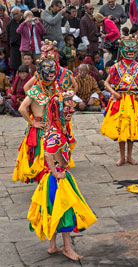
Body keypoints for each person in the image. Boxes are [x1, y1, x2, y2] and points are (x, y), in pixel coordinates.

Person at [27, 90, 97, 261]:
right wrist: (56, 172)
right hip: (57, 179)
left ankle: (53, 246)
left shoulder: (55, 128)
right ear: (57, 112)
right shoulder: (55, 132)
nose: (71, 111)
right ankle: (67, 248)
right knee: (66, 211)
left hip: (51, 178)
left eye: (70, 108)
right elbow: (48, 155)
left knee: (52, 210)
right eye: (66, 109)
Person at [101, 36, 138, 166]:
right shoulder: (116, 67)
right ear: (122, 50)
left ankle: (130, 156)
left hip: (133, 100)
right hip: (120, 100)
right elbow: (106, 83)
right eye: (128, 49)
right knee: (121, 128)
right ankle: (122, 157)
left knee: (131, 128)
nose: (131, 52)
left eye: (133, 49)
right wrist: (114, 93)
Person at [12, 40, 62, 183]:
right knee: (43, 161)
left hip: (52, 126)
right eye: (47, 69)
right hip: (40, 128)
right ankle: (44, 190)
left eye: (53, 69)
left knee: (55, 159)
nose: (51, 72)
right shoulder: (35, 90)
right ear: (40, 72)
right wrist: (32, 122)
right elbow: (22, 108)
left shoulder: (53, 88)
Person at [7, 7, 23, 73]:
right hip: (14, 47)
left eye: (17, 14)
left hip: (23, 46)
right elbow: (8, 35)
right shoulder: (10, 24)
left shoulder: (24, 22)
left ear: (21, 13)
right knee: (15, 66)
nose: (16, 16)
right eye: (14, 14)